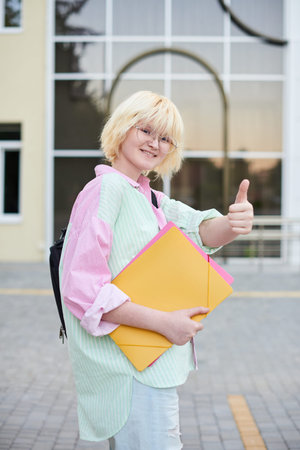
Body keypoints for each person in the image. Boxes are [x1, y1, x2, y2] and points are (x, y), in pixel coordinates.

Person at [60, 90, 253, 449]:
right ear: (121, 129)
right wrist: (165, 323)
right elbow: (83, 290)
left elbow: (199, 230)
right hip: (131, 369)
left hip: (148, 364)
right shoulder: (107, 189)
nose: (155, 143)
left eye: (165, 138)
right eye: (146, 130)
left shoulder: (147, 196)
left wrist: (234, 222)